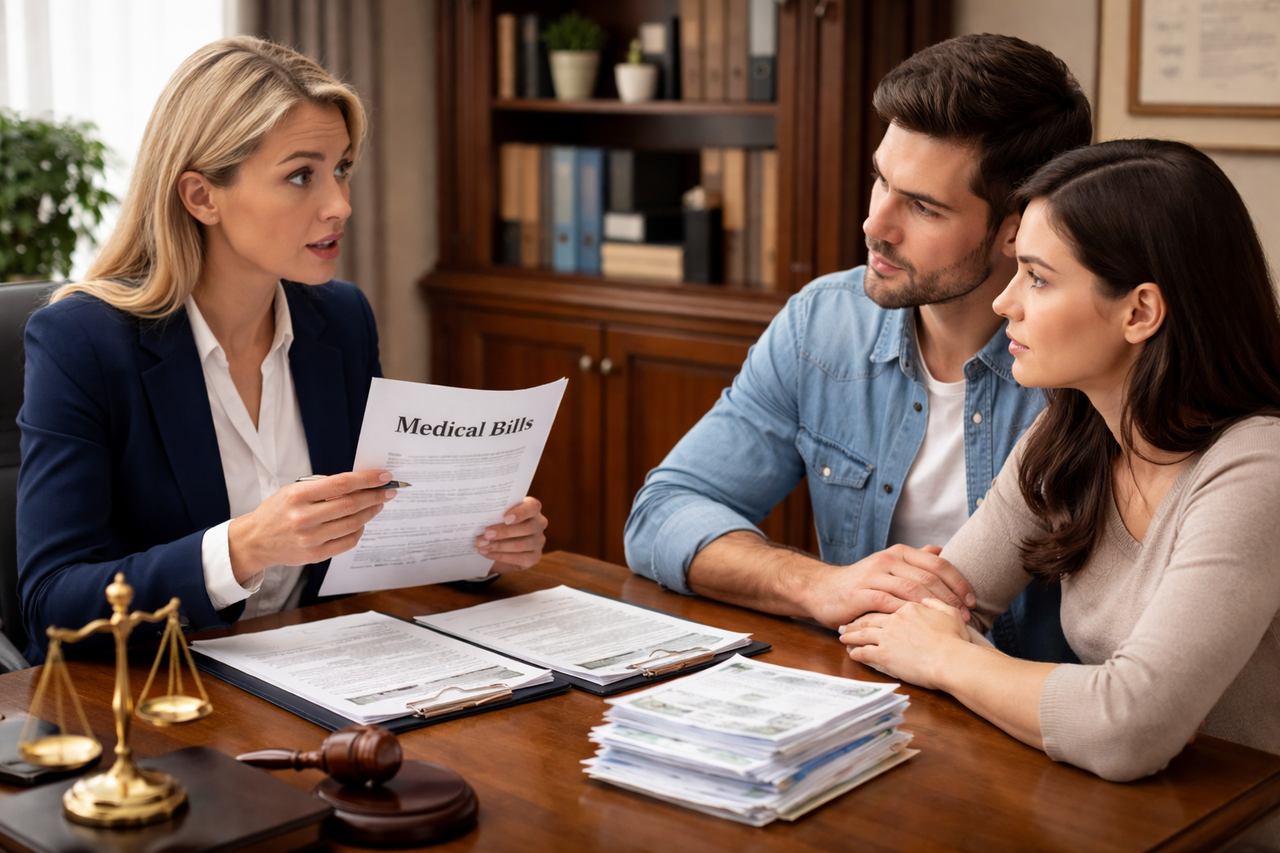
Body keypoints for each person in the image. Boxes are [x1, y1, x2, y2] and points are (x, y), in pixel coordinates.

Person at [17, 37, 547, 662]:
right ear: (201, 196)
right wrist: (243, 548)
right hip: (167, 699)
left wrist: (479, 546)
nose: (340, 205)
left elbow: (375, 537)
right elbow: (49, 605)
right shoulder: (84, 341)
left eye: (341, 168)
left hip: (325, 676)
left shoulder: (341, 320)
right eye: (301, 176)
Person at [625, 34, 1091, 661]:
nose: (876, 225)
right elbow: (663, 514)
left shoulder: (1092, 367)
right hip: (858, 699)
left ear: (1016, 229)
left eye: (923, 207)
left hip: (1024, 727)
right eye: (881, 180)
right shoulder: (824, 322)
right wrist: (821, 585)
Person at [840, 139, 1280, 790]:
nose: (1004, 302)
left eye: (1038, 278)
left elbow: (1131, 727)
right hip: (1105, 810)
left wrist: (947, 656)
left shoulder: (1257, 468)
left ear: (1140, 311)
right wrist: (945, 642)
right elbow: (935, 601)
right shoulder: (1071, 432)